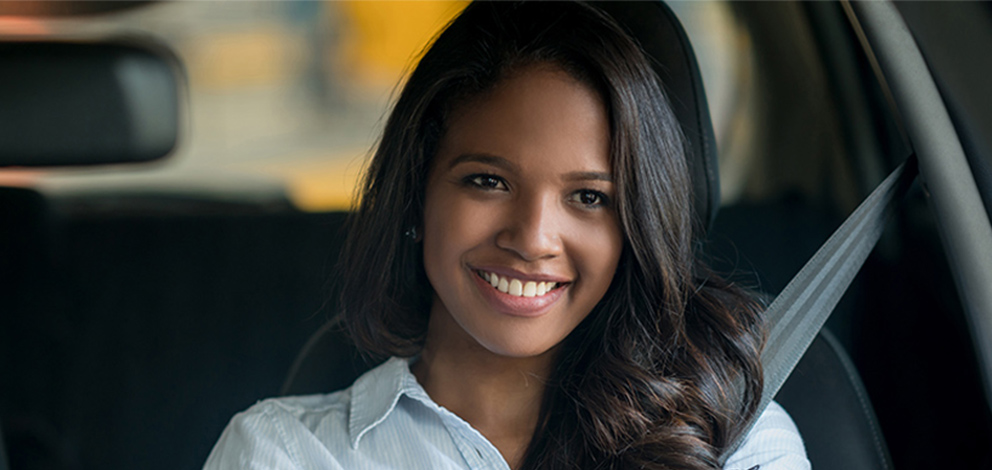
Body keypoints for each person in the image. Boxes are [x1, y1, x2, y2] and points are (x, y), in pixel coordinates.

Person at [204, 2, 809, 469]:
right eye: (488, 181)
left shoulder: (730, 442)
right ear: (417, 191)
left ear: (634, 231)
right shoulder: (286, 453)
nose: (533, 238)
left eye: (589, 198)